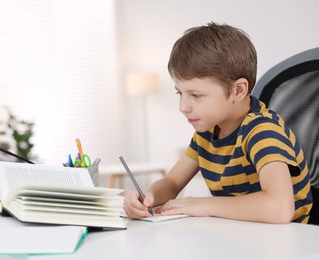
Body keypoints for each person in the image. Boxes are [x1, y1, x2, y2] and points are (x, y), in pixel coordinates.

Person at [123, 22, 313, 224]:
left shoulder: (263, 131)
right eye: (180, 93)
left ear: (238, 90)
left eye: (196, 95)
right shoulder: (207, 131)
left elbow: (279, 208)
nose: (183, 107)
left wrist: (202, 205)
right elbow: (172, 182)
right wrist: (147, 198)